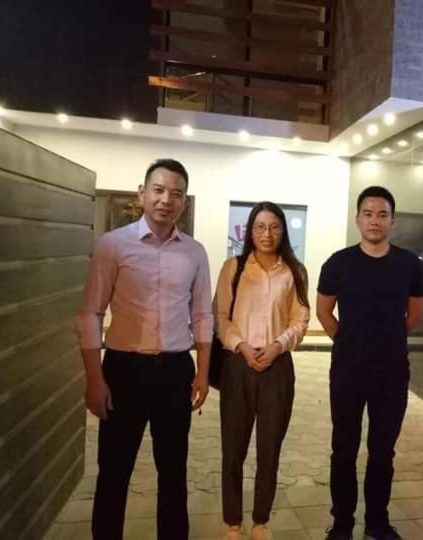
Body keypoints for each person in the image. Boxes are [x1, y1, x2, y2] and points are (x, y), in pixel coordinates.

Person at [75, 159, 213, 540]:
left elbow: (202, 313)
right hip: (123, 371)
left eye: (176, 193)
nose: (166, 199)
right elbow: (90, 313)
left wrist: (202, 371)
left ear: (183, 202)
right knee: (114, 471)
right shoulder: (112, 245)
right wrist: (94, 379)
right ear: (142, 193)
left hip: (174, 372)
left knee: (173, 472)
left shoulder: (195, 253)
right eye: (159, 190)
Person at [317, 186, 423, 540]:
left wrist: (385, 339)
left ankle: (377, 522)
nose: (375, 220)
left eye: (382, 214)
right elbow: (323, 310)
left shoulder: (409, 264)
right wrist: (348, 339)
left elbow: (414, 315)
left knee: (383, 451)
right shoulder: (338, 263)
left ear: (392, 220)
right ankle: (343, 523)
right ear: (357, 219)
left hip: (392, 373)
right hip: (348, 372)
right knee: (344, 449)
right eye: (368, 213)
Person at [215, 201, 310, 540]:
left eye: (274, 227)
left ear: (283, 230)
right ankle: (232, 523)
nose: (267, 233)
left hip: (277, 368)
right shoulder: (234, 268)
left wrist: (276, 346)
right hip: (238, 366)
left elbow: (301, 319)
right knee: (233, 448)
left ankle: (260, 522)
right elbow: (221, 318)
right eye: (259, 226)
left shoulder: (294, 271)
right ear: (250, 230)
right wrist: (241, 346)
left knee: (269, 448)